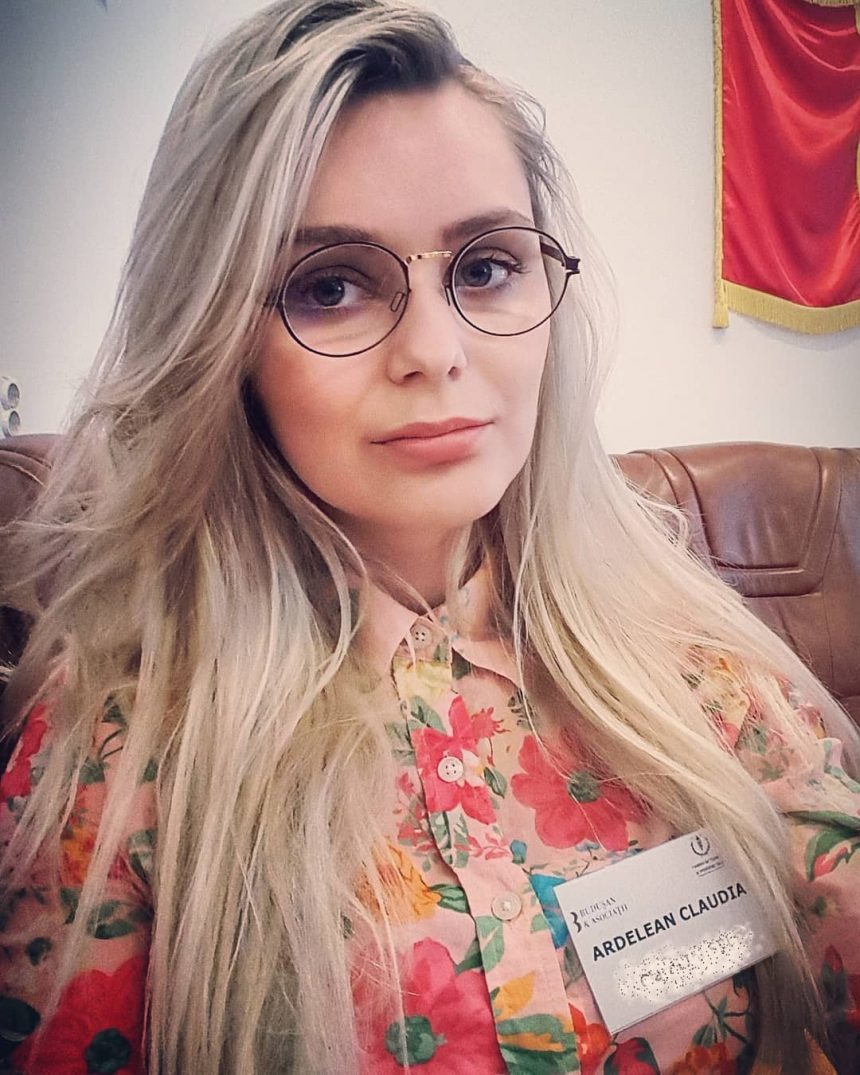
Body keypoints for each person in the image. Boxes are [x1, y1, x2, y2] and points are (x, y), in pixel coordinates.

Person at [1, 1, 858, 1072]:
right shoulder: (119, 747)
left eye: (486, 266)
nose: (435, 350)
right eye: (331, 285)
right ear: (221, 340)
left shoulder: (699, 671)